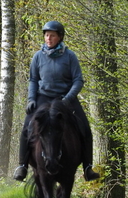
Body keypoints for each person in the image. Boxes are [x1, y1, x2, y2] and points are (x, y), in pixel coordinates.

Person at [13, 20, 100, 182]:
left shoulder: (70, 56)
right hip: (43, 97)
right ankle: (22, 166)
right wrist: (32, 99)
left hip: (65, 98)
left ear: (60, 37)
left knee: (85, 128)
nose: (48, 38)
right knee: (27, 127)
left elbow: (78, 81)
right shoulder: (38, 56)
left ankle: (88, 167)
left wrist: (68, 99)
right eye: (46, 35)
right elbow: (33, 80)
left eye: (52, 35)